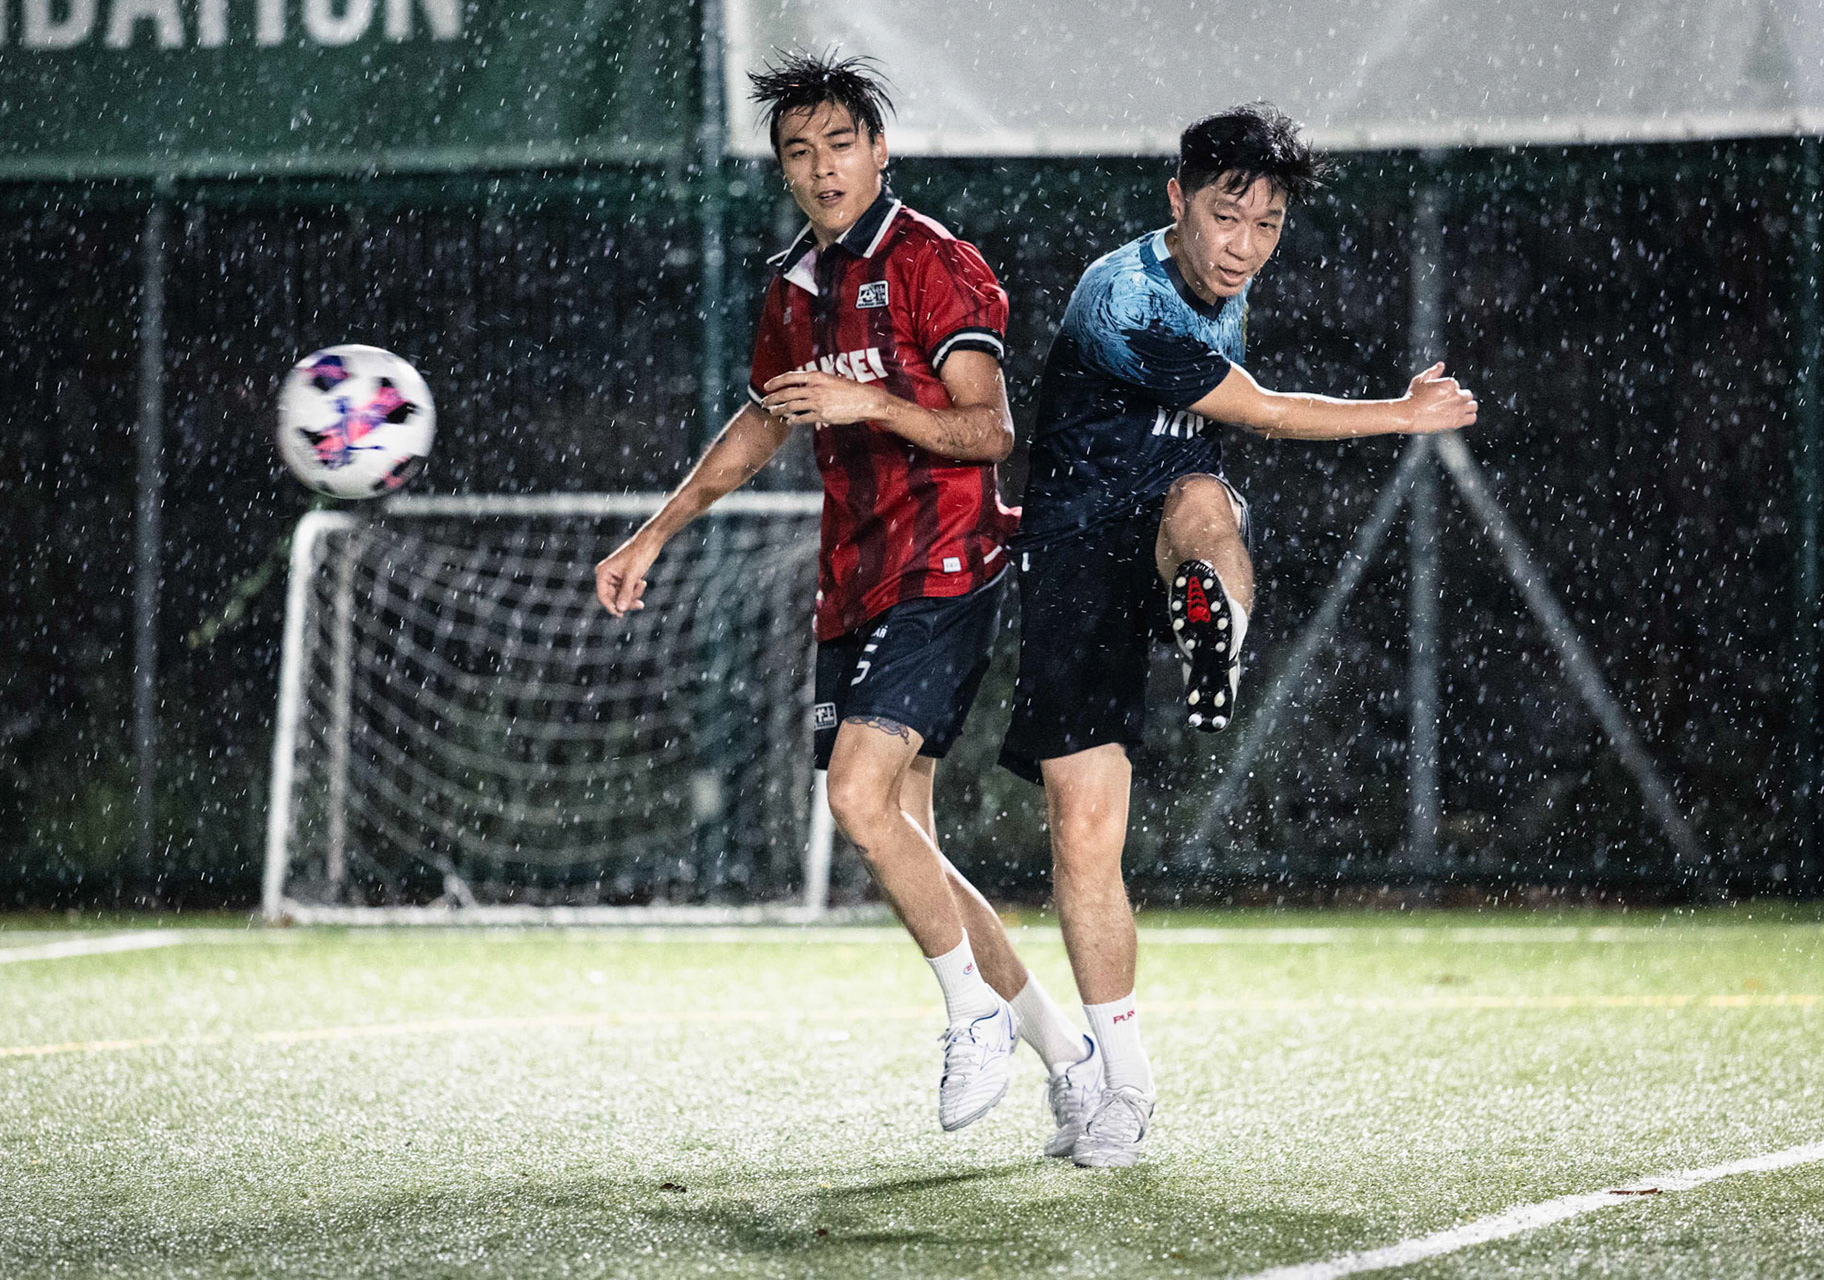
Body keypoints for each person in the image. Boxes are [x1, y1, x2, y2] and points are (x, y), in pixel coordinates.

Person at [595, 51, 1104, 1150]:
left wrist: (867, 398)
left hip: (949, 561)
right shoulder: (792, 287)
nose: (821, 168)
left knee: (860, 798)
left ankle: (973, 1013)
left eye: (839, 144)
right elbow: (760, 425)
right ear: (782, 171)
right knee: (898, 835)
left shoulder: (935, 265)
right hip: (855, 580)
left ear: (879, 150)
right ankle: (1070, 1054)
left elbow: (991, 431)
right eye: (797, 152)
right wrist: (653, 533)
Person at [999, 104, 1479, 1167]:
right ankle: (1123, 1082)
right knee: (1085, 834)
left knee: (1205, 501)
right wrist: (1400, 413)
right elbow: (1259, 407)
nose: (1245, 244)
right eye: (1227, 216)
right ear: (1178, 201)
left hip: (1163, 532)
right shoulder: (1126, 297)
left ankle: (1217, 630)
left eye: (1267, 224)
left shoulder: (1230, 283)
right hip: (1078, 568)